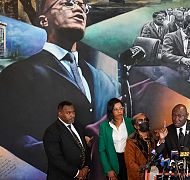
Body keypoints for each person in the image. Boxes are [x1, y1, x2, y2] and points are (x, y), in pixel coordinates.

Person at [0, 0, 119, 171]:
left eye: (82, 5)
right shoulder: (17, 74)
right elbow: (10, 135)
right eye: (68, 3)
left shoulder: (104, 80)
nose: (78, 8)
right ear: (44, 21)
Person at [43, 101, 91, 179]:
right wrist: (77, 173)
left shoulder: (79, 126)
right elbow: (56, 159)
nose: (72, 115)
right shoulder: (52, 131)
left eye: (73, 112)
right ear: (60, 113)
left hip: (82, 176)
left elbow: (84, 149)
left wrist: (86, 167)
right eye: (68, 113)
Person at [99, 98, 135, 180]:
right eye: (116, 109)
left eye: (121, 108)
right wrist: (108, 169)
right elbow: (102, 150)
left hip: (129, 159)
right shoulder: (104, 126)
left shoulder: (130, 122)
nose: (119, 111)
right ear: (111, 111)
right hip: (113, 159)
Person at [124, 113, 157, 180]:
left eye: (145, 120)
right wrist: (142, 169)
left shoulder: (154, 138)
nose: (144, 122)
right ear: (136, 126)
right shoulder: (131, 141)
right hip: (138, 176)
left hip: (152, 175)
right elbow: (130, 163)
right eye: (140, 121)